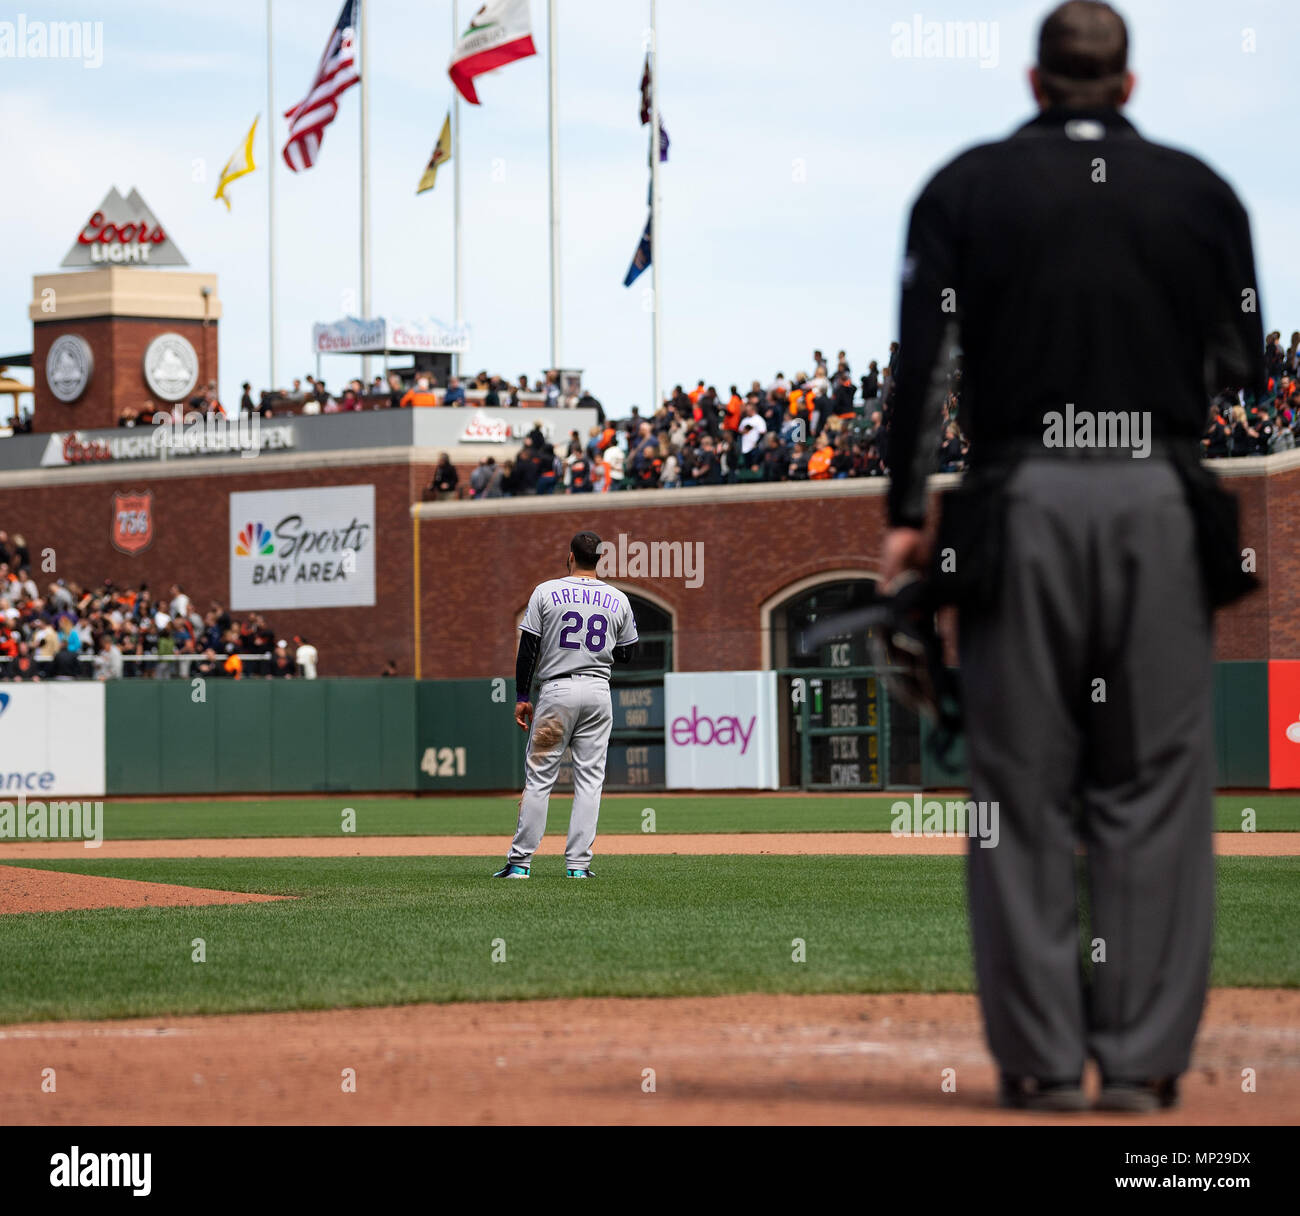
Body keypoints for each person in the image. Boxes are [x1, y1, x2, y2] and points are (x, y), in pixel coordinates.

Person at [881, 0, 1264, 1113]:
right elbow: (1242, 361)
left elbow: (923, 361)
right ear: (1128, 87)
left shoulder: (964, 186)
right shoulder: (1201, 191)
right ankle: (1141, 1066)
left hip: (1017, 502)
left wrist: (906, 510)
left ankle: (1044, 1063)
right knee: (1150, 789)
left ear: (1035, 84)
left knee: (1019, 789)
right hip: (1156, 497)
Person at [494, 531, 638, 879]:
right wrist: (597, 651)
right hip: (598, 693)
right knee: (590, 780)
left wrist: (522, 697)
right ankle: (578, 866)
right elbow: (628, 653)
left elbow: (528, 649)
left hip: (557, 691)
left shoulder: (546, 591)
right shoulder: (618, 598)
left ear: (570, 556)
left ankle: (520, 863)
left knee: (540, 778)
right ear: (599, 560)